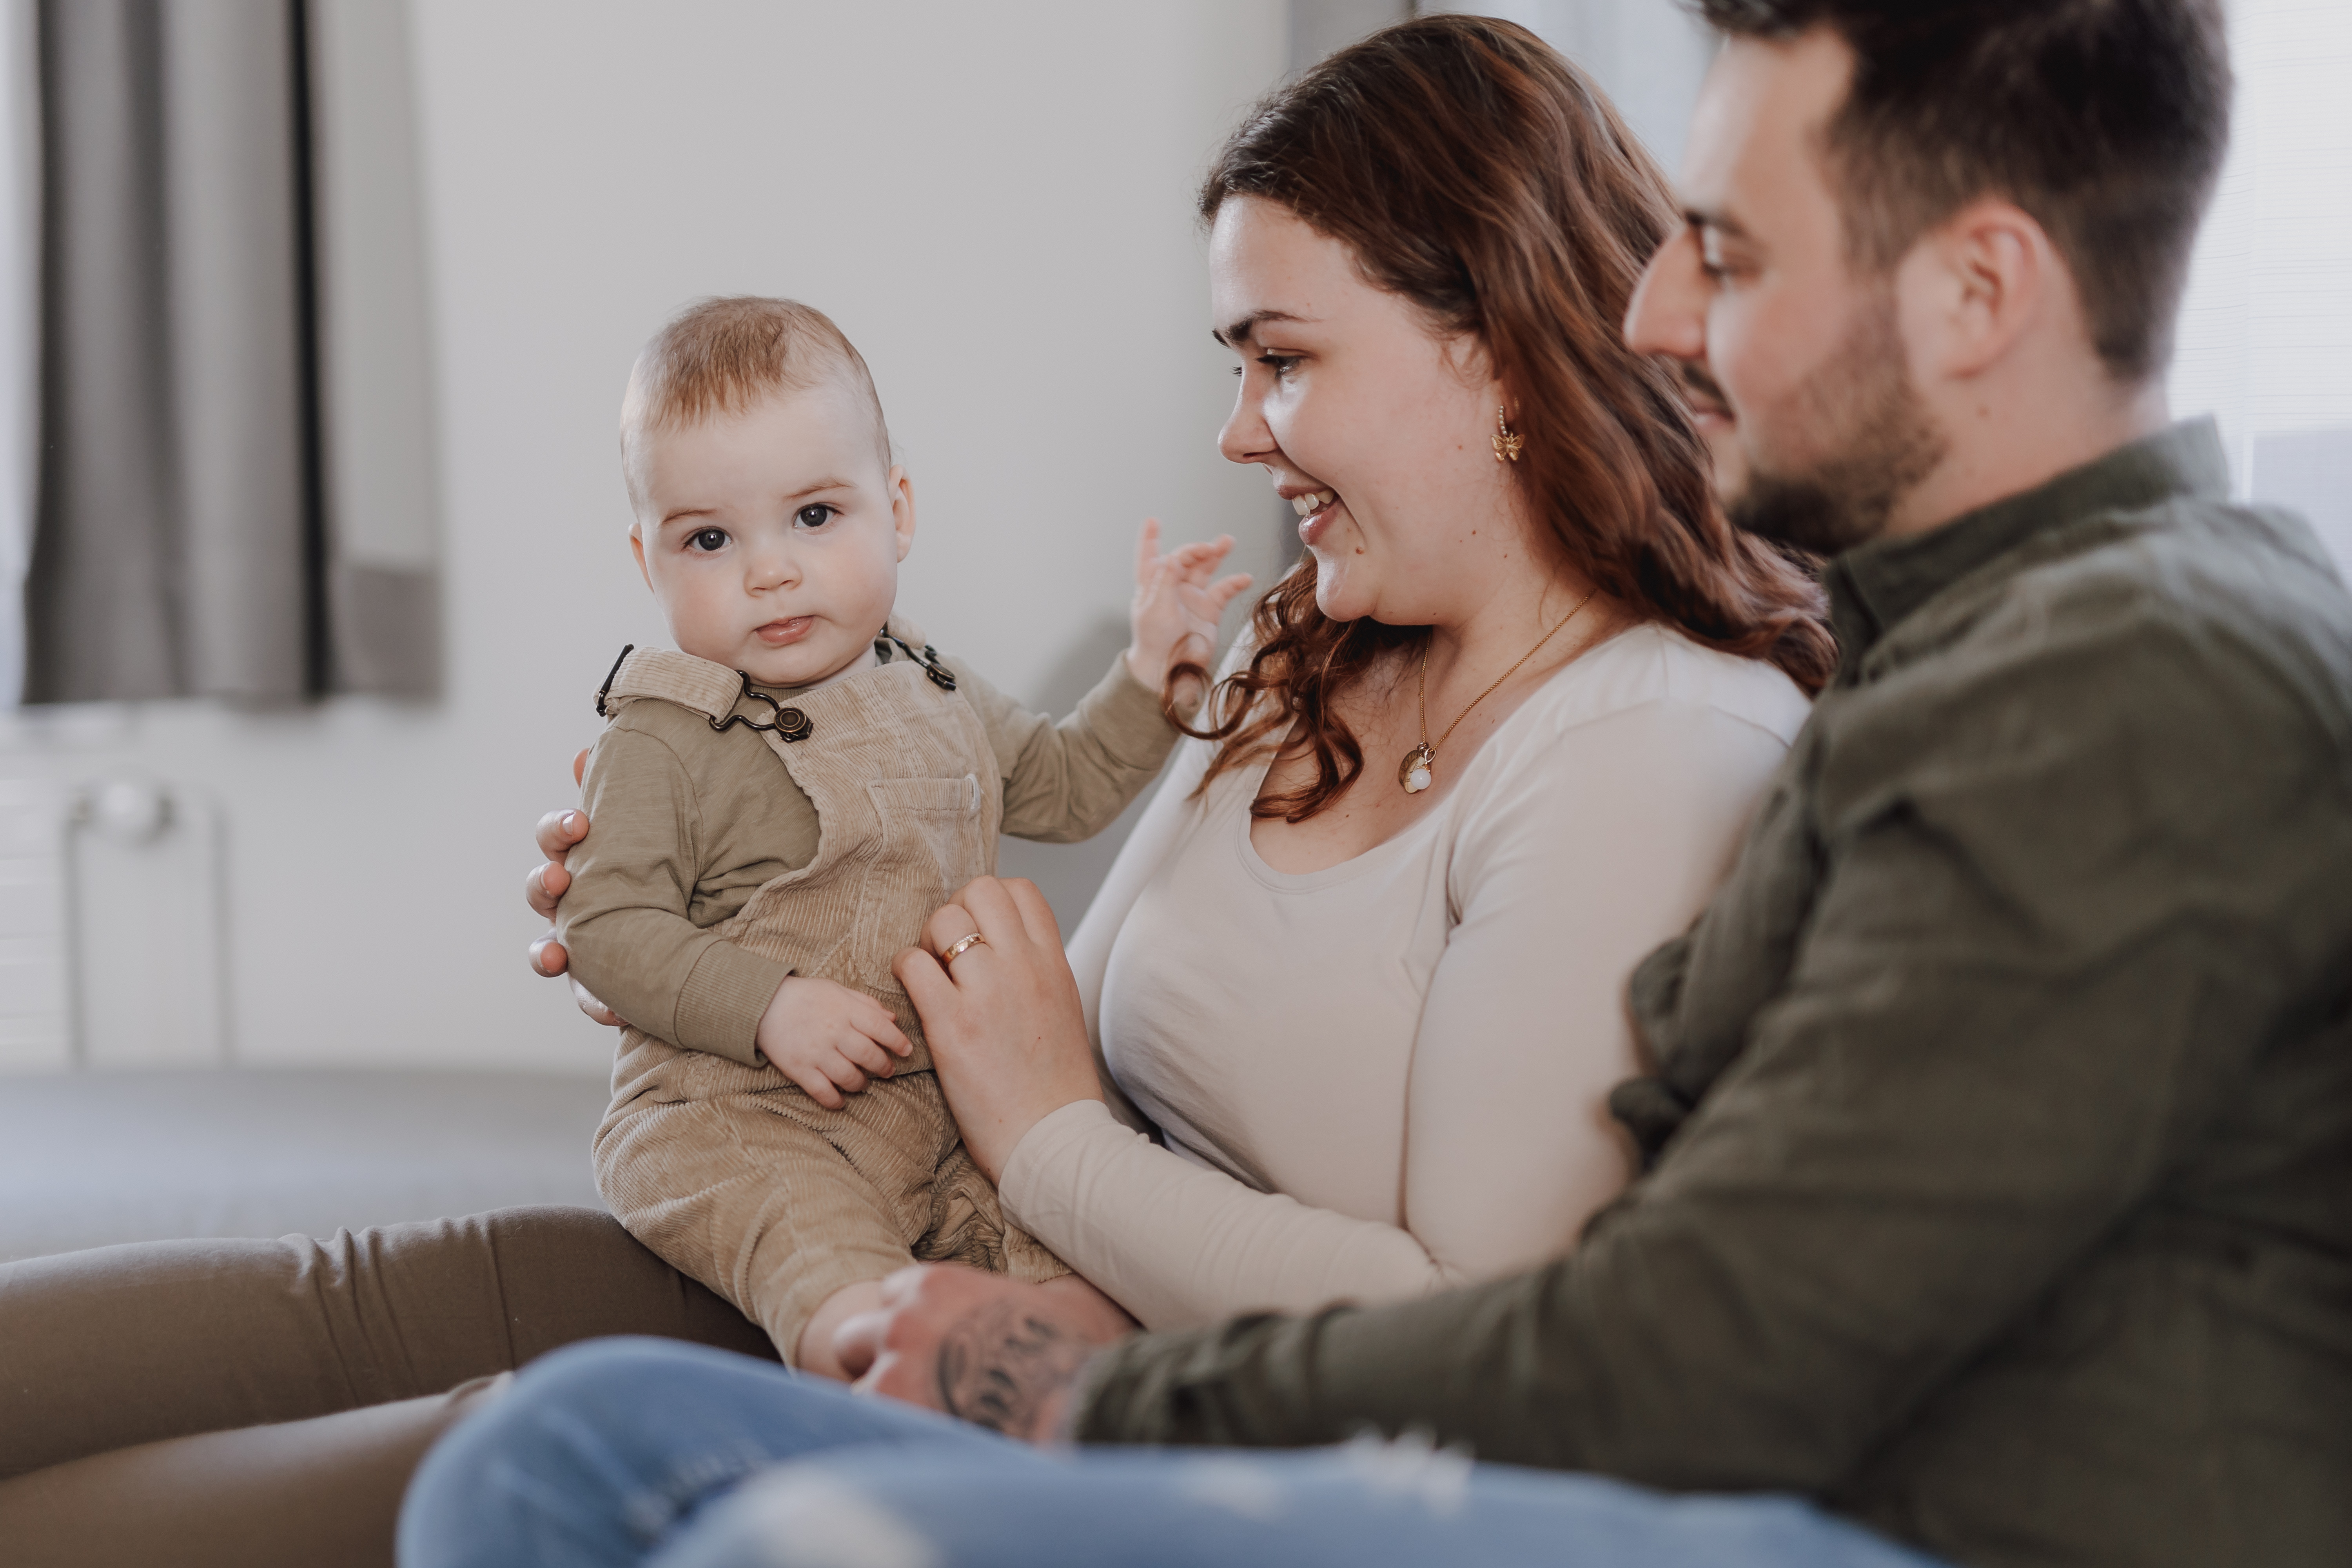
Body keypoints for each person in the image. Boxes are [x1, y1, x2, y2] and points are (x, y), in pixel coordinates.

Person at [399, 3, 2352, 1568]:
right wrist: (719, 909)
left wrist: (1091, 1376)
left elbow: (1682, 1346)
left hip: (1760, 1496)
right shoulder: (1955, 648)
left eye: (1730, 254)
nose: (1658, 315)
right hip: (1280, 1340)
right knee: (553, 1443)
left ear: (1980, 292)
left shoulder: (2117, 684)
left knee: (714, 1516)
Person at [0, 15, 1825, 1567]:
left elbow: (1472, 1334)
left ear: (1491, 352)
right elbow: (1022, 971)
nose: (1238, 430)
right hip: (941, 1236)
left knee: (428, 1454)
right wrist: (736, 902)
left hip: (1102, 1396)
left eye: (1281, 362)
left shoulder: (1654, 749)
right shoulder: (1310, 643)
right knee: (335, 1301)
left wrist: (1050, 1146)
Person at [566, 295, 1225, 1376]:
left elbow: (1060, 787)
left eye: (814, 517)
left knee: (1065, 1271)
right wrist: (769, 1007)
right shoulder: (667, 731)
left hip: (936, 1105)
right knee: (824, 1260)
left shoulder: (930, 681)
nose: (768, 569)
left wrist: (1151, 680)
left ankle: (1069, 1423)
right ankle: (869, 1379)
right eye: (710, 538)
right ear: (649, 558)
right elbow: (607, 927)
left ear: (898, 509)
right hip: (743, 1110)